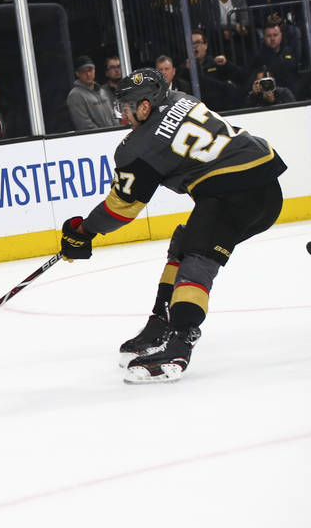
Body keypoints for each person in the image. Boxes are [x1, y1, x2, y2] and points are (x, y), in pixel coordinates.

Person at [60, 68, 286, 383]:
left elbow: (122, 208)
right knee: (185, 242)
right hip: (265, 187)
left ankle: (179, 343)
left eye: (126, 106)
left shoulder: (139, 146)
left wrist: (85, 230)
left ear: (144, 107)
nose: (122, 114)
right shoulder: (181, 99)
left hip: (235, 192)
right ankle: (161, 324)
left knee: (197, 255)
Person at [67, 56, 115, 131]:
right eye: (84, 71)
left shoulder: (103, 91)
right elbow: (84, 125)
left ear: (94, 70)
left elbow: (114, 117)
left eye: (90, 70)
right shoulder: (75, 95)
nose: (88, 74)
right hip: (96, 139)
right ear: (77, 73)